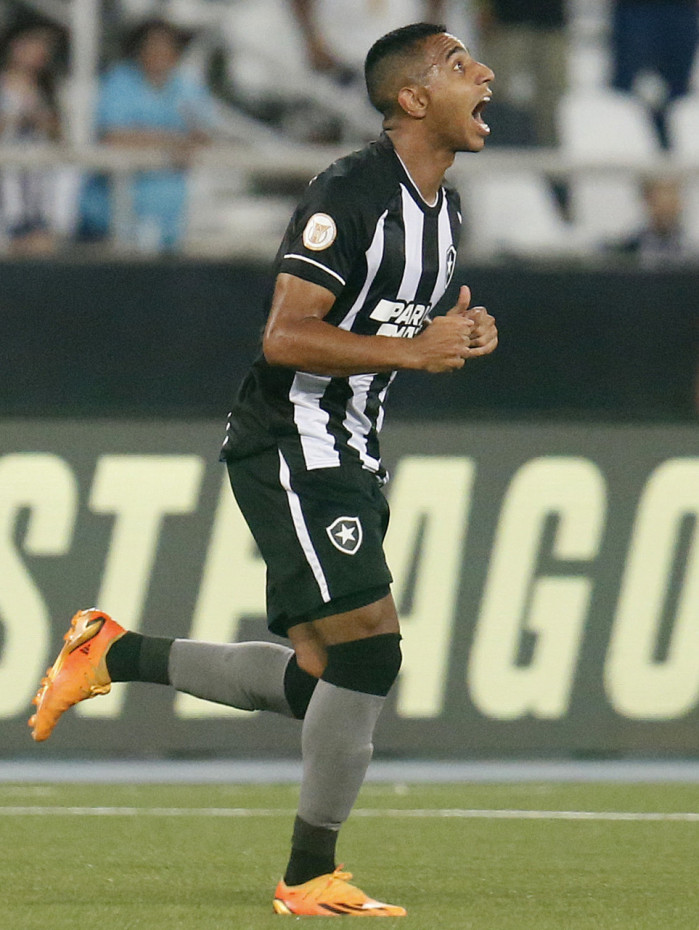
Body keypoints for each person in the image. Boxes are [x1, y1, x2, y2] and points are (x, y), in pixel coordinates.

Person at [29, 22, 497, 917]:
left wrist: (460, 336)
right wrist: (412, 352)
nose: (484, 75)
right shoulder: (350, 192)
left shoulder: (444, 213)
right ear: (410, 97)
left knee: (320, 676)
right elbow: (285, 336)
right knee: (373, 651)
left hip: (350, 446)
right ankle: (307, 874)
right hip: (293, 439)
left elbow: (399, 333)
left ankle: (113, 652)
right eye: (457, 65)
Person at [78, 18, 218, 251]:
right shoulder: (120, 82)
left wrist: (186, 138)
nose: (160, 53)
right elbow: (113, 136)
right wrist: (173, 139)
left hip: (169, 217)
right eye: (153, 45)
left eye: (167, 46)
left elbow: (204, 135)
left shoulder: (186, 87)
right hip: (113, 216)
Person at [0, 19, 63, 254]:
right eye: (34, 43)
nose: (41, 51)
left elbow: (59, 137)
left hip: (37, 193)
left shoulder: (48, 90)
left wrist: (45, 122)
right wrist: (17, 119)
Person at [472, 0, 567, 146]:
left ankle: (550, 154)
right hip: (506, 20)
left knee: (549, 98)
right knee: (495, 94)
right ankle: (489, 150)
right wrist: (483, 8)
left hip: (551, 21)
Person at [610, 0, 699, 148]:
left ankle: (664, 154)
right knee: (630, 90)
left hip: (681, 10)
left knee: (676, 92)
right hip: (636, 9)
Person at [607, 176, 697, 266]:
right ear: (647, 201)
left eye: (672, 195)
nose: (666, 206)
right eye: (660, 197)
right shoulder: (624, 251)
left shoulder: (691, 252)